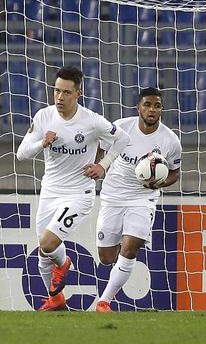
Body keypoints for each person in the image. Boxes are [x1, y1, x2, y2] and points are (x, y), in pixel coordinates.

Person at [16, 66, 130, 311]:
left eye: (66, 92)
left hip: (79, 193)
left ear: (78, 93)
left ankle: (65, 262)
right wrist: (41, 142)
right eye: (56, 91)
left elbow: (123, 139)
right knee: (43, 257)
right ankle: (56, 299)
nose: (59, 97)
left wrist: (103, 166)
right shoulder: (44, 116)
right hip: (50, 191)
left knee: (47, 243)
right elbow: (21, 153)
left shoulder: (92, 121)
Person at [95, 88, 181, 312]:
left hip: (143, 198)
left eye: (157, 106)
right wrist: (97, 166)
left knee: (130, 247)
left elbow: (174, 172)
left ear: (161, 110)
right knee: (105, 257)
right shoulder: (121, 127)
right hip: (113, 195)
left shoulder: (170, 140)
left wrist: (159, 183)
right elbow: (100, 146)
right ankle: (117, 267)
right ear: (139, 108)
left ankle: (104, 302)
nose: (152, 109)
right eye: (147, 104)